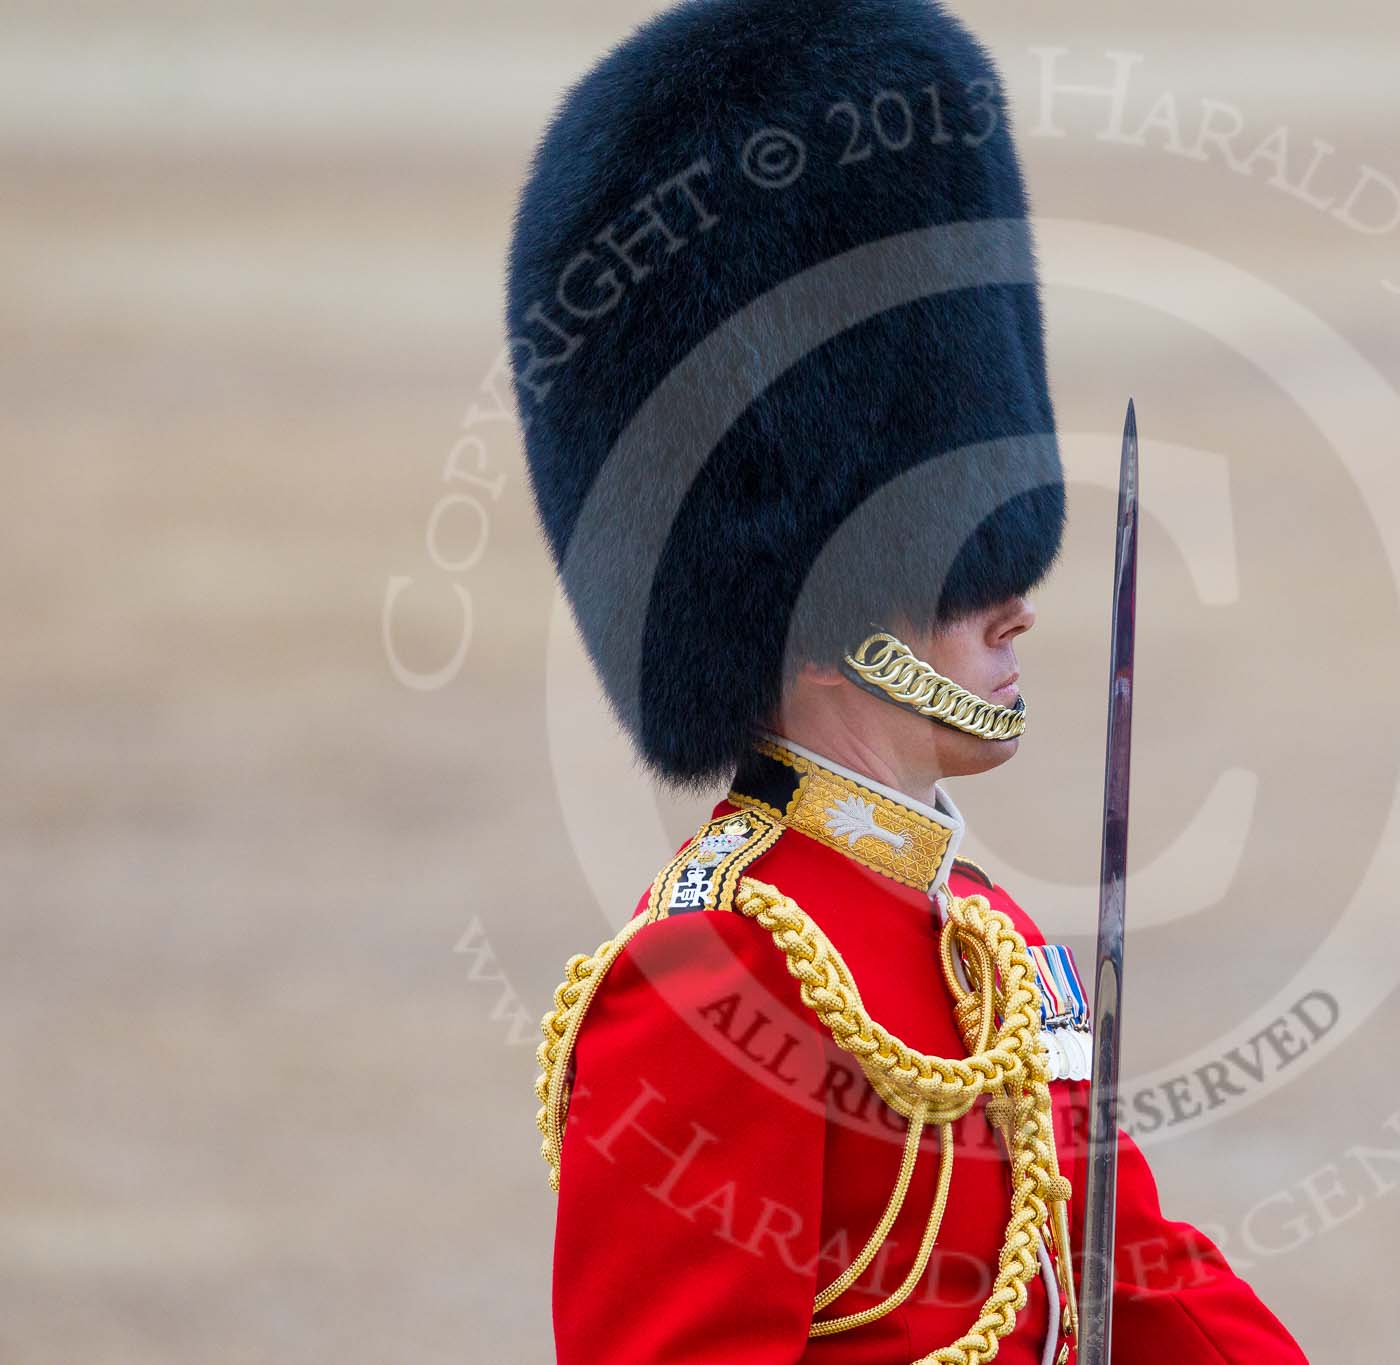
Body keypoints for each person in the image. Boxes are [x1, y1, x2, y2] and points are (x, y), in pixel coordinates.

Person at [509, 2, 1309, 1360]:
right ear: (809, 599)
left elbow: (1137, 1272)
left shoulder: (988, 942)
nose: (1016, 602)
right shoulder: (712, 981)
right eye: (948, 554)